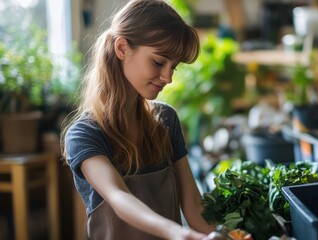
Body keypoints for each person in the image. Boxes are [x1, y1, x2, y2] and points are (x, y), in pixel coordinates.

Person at [60, 0, 215, 239]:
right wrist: (177, 233)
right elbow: (118, 197)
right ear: (122, 48)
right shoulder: (84, 134)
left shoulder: (166, 120)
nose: (168, 78)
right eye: (158, 62)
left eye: (174, 67)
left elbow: (194, 207)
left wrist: (227, 234)